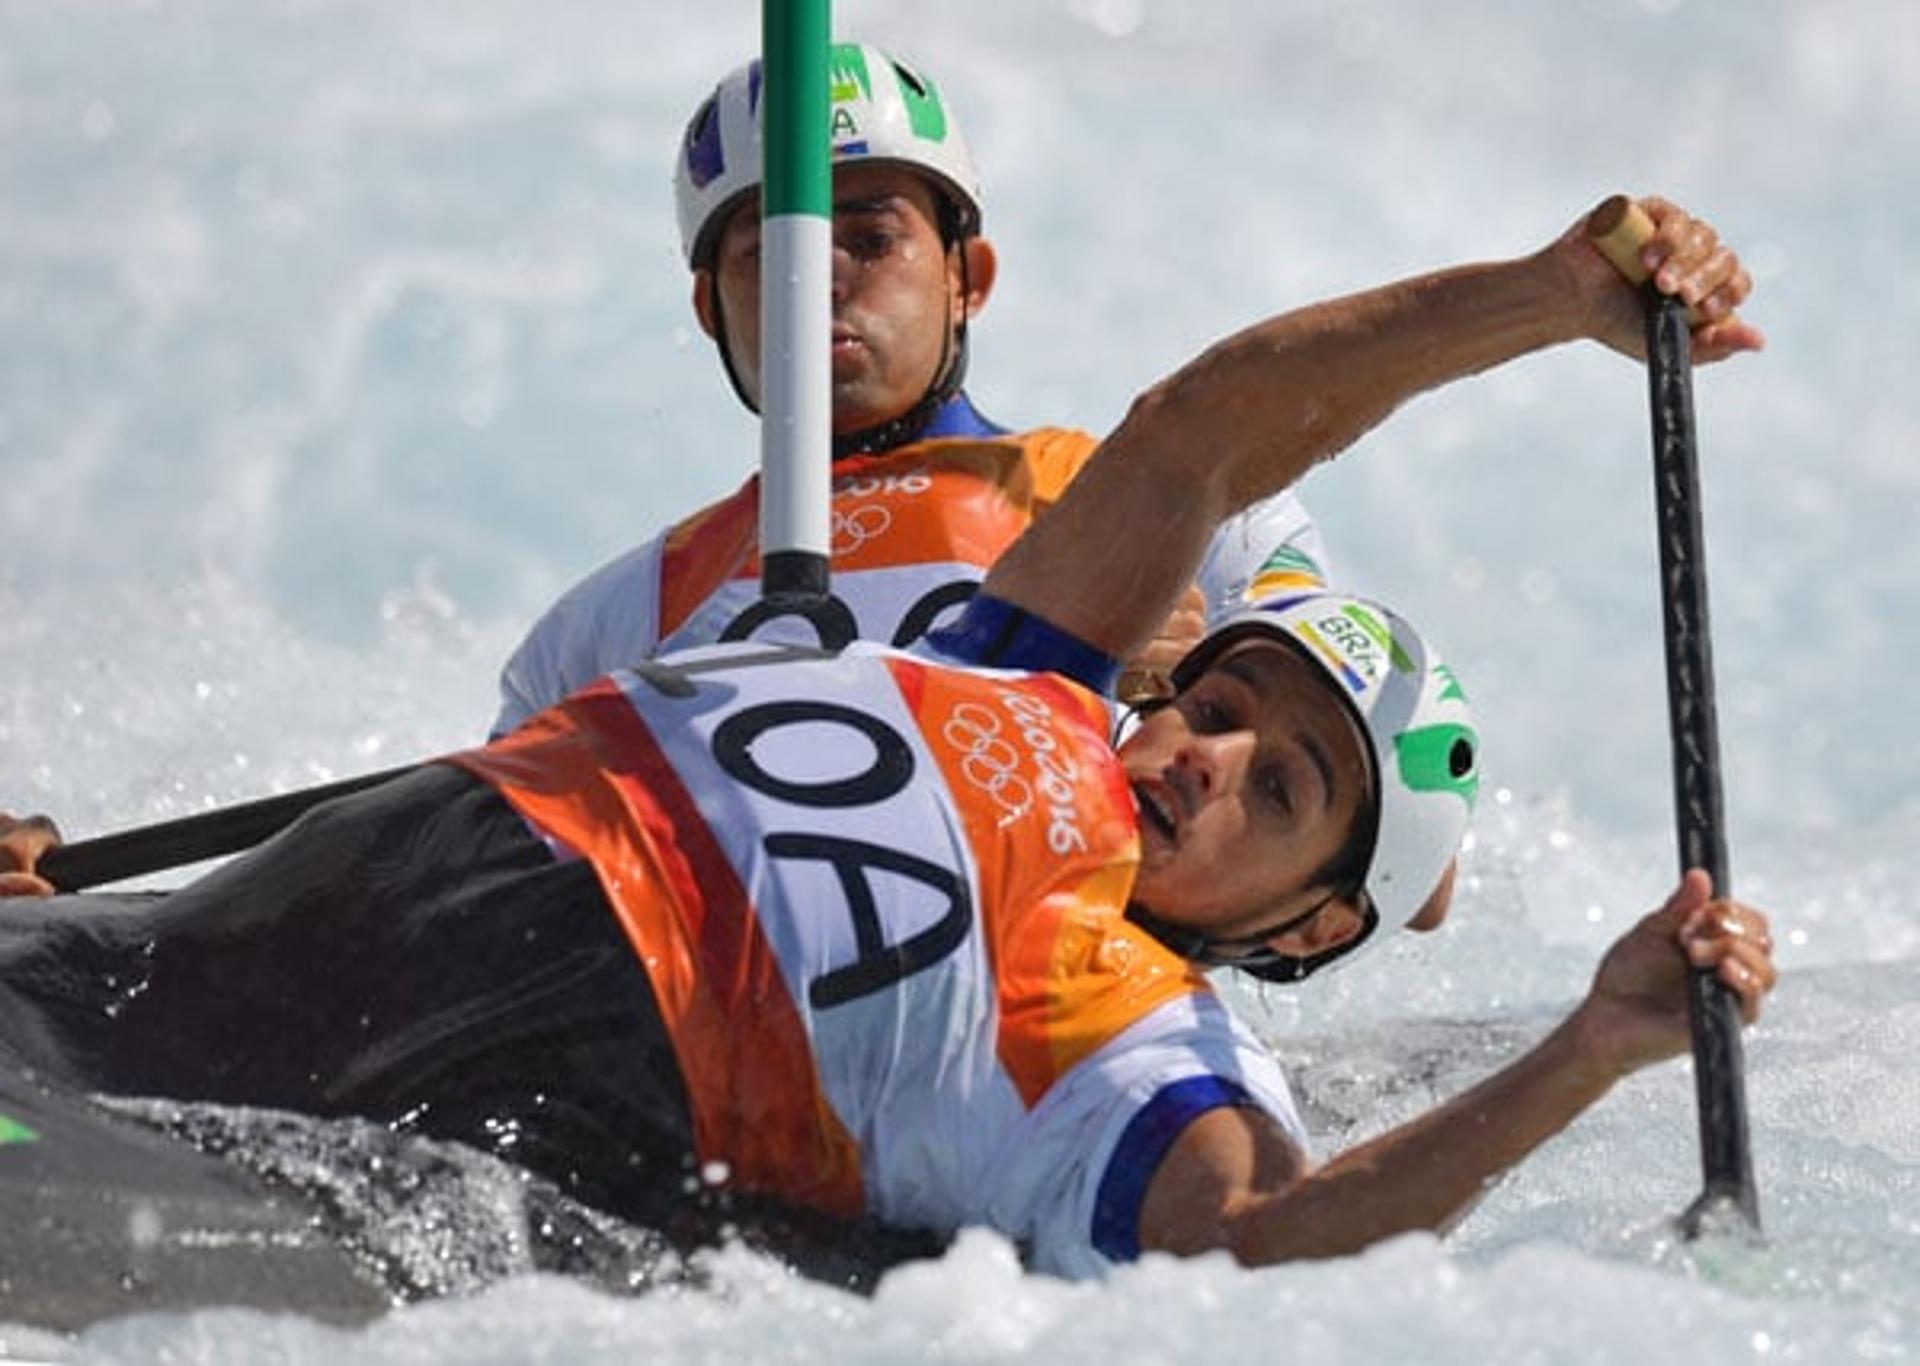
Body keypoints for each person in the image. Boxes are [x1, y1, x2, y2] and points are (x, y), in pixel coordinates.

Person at [1, 190, 1771, 1278]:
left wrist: (1595, 1044)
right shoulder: (1028, 671)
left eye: (1282, 785)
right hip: (422, 856)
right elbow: (1202, 434)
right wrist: (1548, 296)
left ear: (1313, 925)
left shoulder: (1138, 1041)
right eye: (1222, 703)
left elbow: (1258, 1250)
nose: (1209, 752)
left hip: (570, 1046)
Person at [488, 40, 1331, 737]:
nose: (818, 278)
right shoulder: (597, 639)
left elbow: (1399, 871)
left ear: (969, 280)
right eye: (768, 254)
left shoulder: (1189, 513)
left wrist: (1188, 706)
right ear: (710, 307)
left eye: (872, 238)